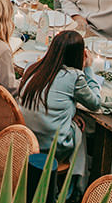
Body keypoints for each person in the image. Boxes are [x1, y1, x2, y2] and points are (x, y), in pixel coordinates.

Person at [18, 30, 102, 177]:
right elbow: (95, 103)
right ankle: (77, 182)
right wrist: (88, 68)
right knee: (81, 128)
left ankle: (76, 180)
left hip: (27, 136)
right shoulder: (74, 76)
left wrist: (71, 114)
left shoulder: (33, 67)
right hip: (51, 145)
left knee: (76, 124)